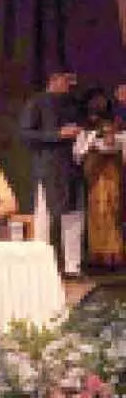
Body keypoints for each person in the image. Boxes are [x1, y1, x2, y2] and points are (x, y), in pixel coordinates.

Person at [19, 68, 84, 277]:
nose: (69, 85)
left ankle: (73, 266)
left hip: (73, 166)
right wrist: (58, 134)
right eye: (66, 80)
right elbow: (26, 134)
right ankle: (41, 264)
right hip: (48, 167)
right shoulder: (37, 102)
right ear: (54, 80)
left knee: (74, 214)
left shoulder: (73, 103)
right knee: (44, 216)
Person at [75, 89, 125, 267]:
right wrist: (91, 143)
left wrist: (110, 138)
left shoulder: (115, 125)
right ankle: (98, 253)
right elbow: (79, 153)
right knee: (96, 210)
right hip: (94, 175)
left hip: (111, 174)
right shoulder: (85, 129)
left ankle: (112, 253)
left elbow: (114, 146)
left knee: (110, 209)